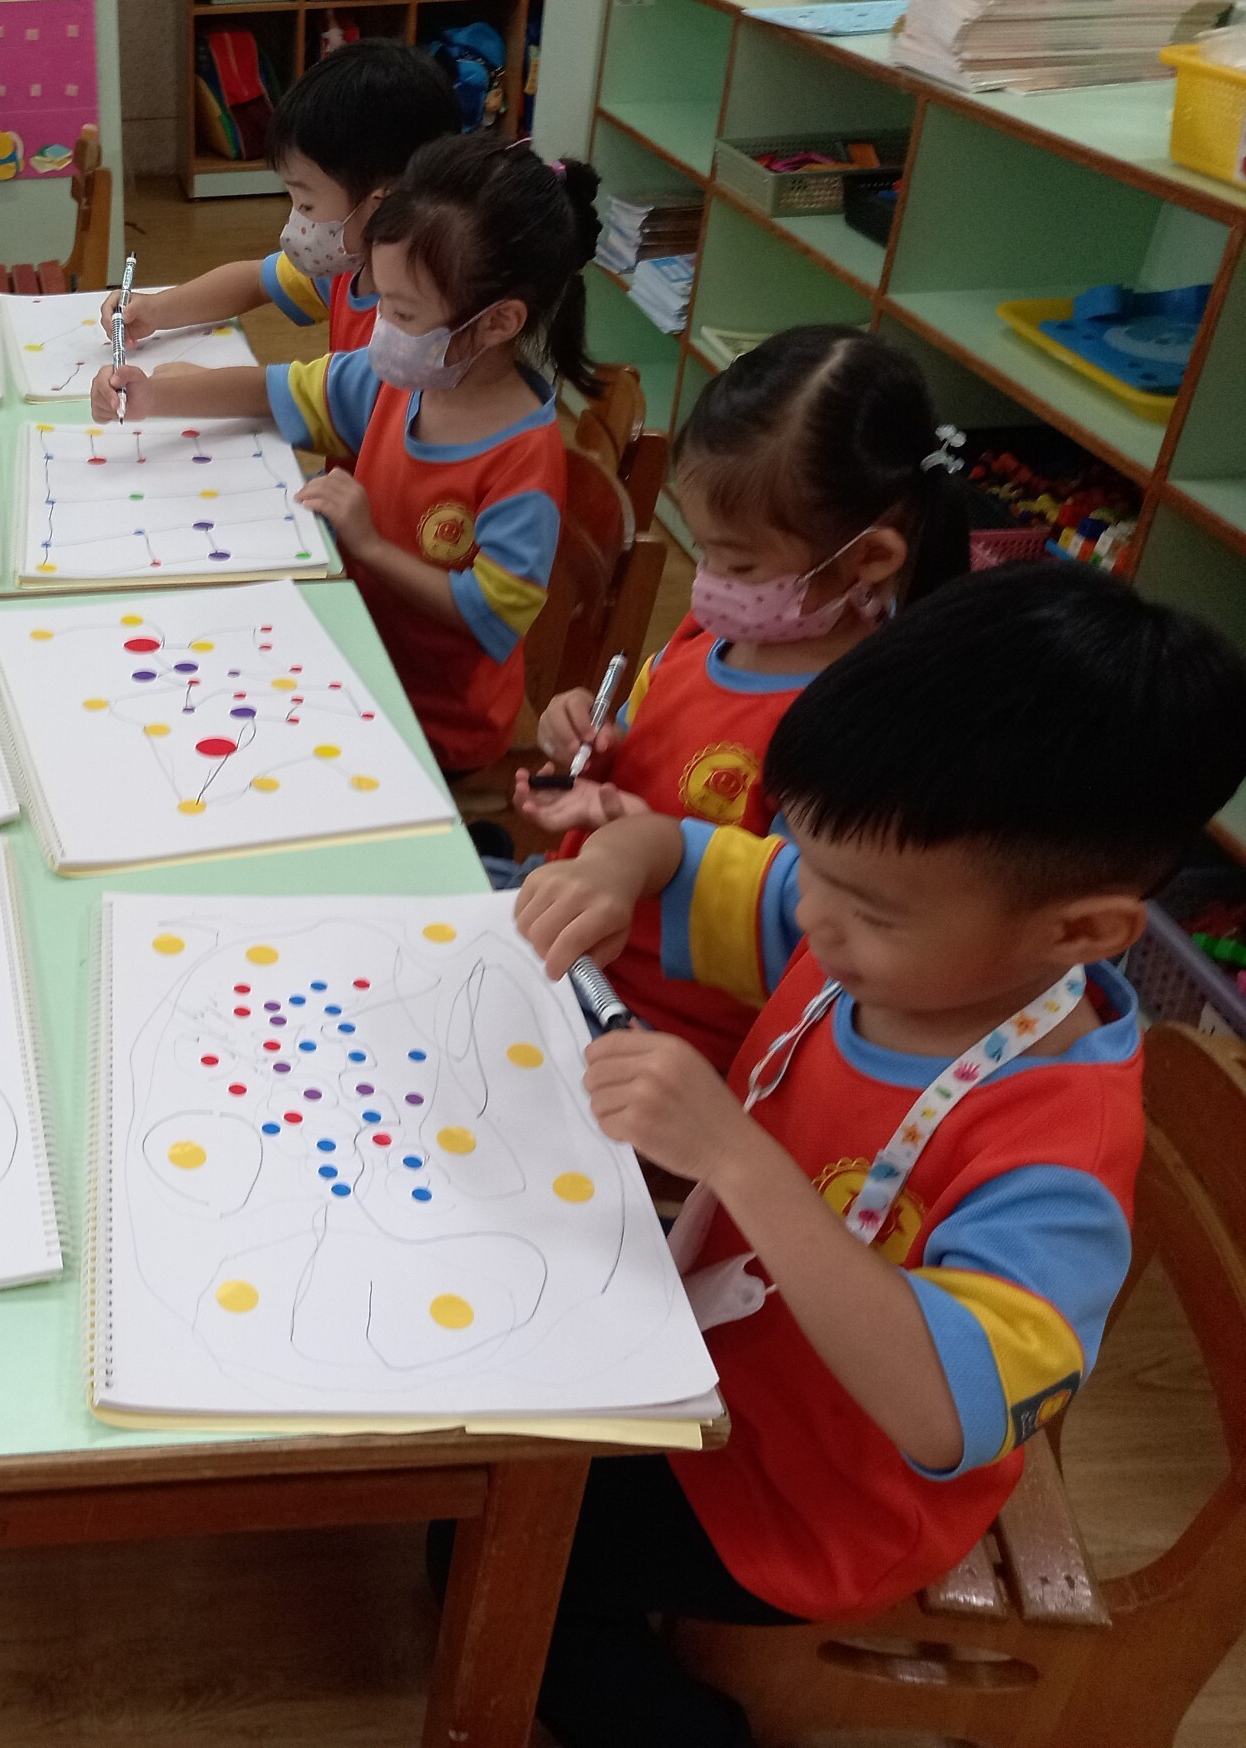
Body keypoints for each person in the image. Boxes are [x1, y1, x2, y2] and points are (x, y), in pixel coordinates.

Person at [509, 563, 1246, 1748]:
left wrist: (737, 1157)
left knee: (507, 1561)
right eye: (810, 863)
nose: (812, 915)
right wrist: (612, 868)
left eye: (865, 909)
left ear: (1082, 932)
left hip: (822, 1498)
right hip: (716, 1368)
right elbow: (677, 852)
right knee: (505, 1439)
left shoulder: (1057, 1147)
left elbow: (945, 1414)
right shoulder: (891, 919)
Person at [509, 326, 973, 1068]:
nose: (707, 580)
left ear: (870, 557)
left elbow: (806, 923)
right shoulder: (712, 631)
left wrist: (643, 847)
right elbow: (647, 735)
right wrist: (591, 737)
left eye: (739, 563)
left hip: (659, 1030)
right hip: (575, 942)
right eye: (703, 549)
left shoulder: (861, 728)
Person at [92, 133, 602, 776]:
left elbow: (491, 614)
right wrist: (152, 396)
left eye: (402, 311)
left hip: (433, 719)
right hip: (355, 653)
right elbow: (283, 390)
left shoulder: (523, 459)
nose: (379, 324)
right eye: (380, 297)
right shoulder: (408, 378)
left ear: (499, 322)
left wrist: (370, 545)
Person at [103, 40, 462, 366]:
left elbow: (321, 395)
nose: (296, 221)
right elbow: (255, 281)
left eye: (307, 205)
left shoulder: (417, 325)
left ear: (382, 203)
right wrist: (156, 308)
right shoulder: (351, 267)